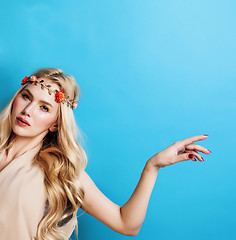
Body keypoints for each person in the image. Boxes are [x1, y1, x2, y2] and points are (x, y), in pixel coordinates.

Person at [0, 68, 211, 240]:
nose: (27, 110)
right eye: (26, 96)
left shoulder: (59, 172)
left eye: (44, 108)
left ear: (56, 124)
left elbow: (126, 224)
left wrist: (152, 166)